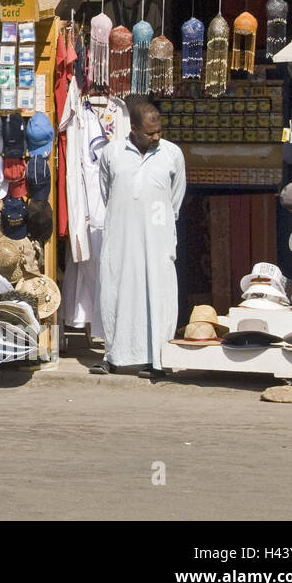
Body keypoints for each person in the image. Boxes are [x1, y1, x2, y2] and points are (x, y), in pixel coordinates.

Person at [94, 97, 186, 378]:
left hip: (157, 239)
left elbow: (175, 200)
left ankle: (158, 360)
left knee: (157, 294)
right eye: (150, 133)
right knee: (117, 292)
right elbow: (107, 193)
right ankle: (114, 356)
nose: (156, 137)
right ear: (133, 128)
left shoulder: (172, 154)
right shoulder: (111, 153)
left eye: (159, 132)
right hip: (121, 237)